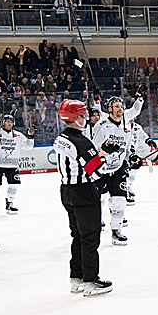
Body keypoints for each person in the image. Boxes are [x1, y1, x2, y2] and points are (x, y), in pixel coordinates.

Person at [53, 99, 112, 296]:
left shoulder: (61, 137)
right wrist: (103, 157)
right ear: (75, 117)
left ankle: (76, 277)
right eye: (82, 115)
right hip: (84, 193)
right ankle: (91, 280)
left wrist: (97, 153)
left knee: (77, 235)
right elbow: (96, 170)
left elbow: (80, 160)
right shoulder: (80, 141)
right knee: (90, 236)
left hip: (67, 192)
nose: (85, 118)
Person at [90, 97, 143, 243]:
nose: (120, 109)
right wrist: (103, 152)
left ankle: (116, 230)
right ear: (110, 109)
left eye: (121, 106)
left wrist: (131, 158)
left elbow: (125, 148)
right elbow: (93, 149)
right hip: (101, 170)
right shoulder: (102, 126)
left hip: (118, 169)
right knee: (98, 199)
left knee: (119, 200)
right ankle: (95, 226)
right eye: (117, 106)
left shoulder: (126, 126)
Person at [0, 113, 35, 214]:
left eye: (11, 122)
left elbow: (28, 147)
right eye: (8, 122)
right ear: (3, 123)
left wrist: (30, 137)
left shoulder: (18, 135)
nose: (10, 124)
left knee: (14, 184)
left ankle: (10, 203)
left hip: (12, 165)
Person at [126, 120, 157, 205]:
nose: (131, 118)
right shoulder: (121, 126)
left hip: (133, 154)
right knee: (124, 172)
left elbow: (143, 137)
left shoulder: (137, 127)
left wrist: (149, 141)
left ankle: (129, 187)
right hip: (123, 154)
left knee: (135, 168)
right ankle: (123, 190)